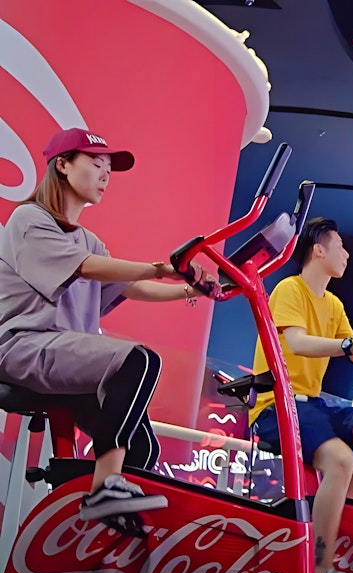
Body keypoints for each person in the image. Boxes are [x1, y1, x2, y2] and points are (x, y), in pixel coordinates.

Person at [0, 127, 218, 528]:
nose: (105, 175)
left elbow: (130, 285)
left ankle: (105, 536)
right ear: (62, 166)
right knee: (138, 361)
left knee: (142, 448)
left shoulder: (89, 239)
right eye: (96, 164)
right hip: (24, 348)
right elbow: (86, 268)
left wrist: (192, 290)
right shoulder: (30, 219)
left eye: (109, 170)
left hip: (65, 355)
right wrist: (165, 268)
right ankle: (106, 488)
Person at [247, 216, 353, 573]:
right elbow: (299, 343)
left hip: (315, 404)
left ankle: (335, 509)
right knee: (338, 458)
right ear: (318, 250)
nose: (347, 254)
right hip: (276, 403)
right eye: (340, 246)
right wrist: (352, 343)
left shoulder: (332, 303)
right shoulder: (290, 288)